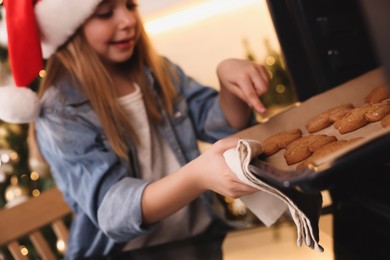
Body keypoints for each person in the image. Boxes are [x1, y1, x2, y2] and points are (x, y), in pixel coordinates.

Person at [2, 0, 270, 259]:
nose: (128, 20)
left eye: (130, 5)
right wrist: (196, 176)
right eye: (106, 13)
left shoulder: (159, 71)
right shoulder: (60, 111)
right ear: (68, 28)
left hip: (197, 243)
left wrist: (228, 81)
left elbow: (221, 126)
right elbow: (113, 211)